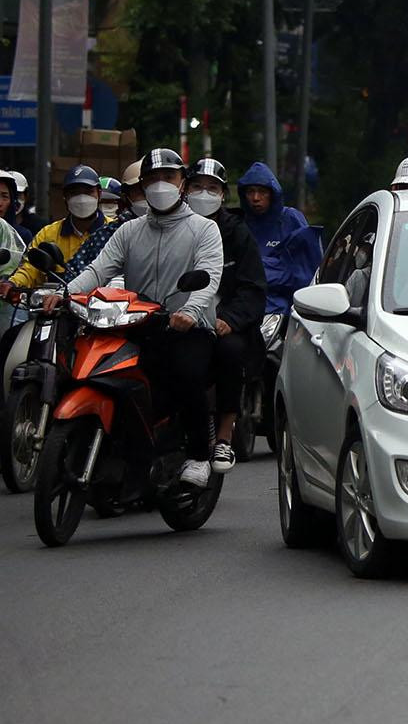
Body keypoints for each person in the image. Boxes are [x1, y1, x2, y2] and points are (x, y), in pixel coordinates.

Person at [44, 149, 225, 486]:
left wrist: (188, 311)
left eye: (168, 178)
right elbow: (99, 269)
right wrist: (65, 294)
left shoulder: (204, 230)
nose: (160, 185)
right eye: (152, 179)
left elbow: (209, 277)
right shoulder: (129, 231)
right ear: (142, 185)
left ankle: (200, 455)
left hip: (186, 328)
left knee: (187, 374)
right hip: (136, 324)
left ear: (182, 183)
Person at [187, 159, 267, 469]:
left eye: (212, 188)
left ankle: (223, 437)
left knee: (230, 353)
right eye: (196, 186)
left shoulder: (237, 233)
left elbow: (252, 288)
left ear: (223, 195)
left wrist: (229, 319)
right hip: (176, 318)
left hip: (222, 323)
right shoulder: (170, 226)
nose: (203, 193)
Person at [8, 167, 109, 318]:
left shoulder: (114, 232)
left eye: (88, 192)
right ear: (65, 197)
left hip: (104, 316)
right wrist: (13, 284)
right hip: (56, 315)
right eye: (74, 193)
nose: (81, 198)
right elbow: (30, 268)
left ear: (99, 194)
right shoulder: (48, 234)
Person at [239, 161, 322, 319]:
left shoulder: (291, 219)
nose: (256, 198)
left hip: (285, 311)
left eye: (262, 191)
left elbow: (307, 268)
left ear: (272, 193)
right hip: (244, 309)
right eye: (251, 191)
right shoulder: (239, 224)